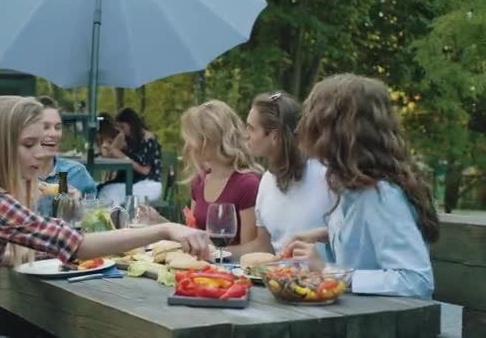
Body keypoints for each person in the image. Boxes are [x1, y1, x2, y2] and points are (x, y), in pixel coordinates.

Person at [0, 96, 210, 337]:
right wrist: (165, 229)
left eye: (52, 133)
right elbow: (77, 243)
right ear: (0, 146)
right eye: (30, 144)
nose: (42, 151)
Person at [282, 74, 439, 299]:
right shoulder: (354, 185)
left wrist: (327, 271)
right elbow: (368, 237)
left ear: (336, 133)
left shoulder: (383, 196)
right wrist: (324, 234)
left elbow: (416, 281)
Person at [226, 91, 334, 257]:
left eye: (251, 128)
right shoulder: (266, 181)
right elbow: (263, 247)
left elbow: (348, 236)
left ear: (274, 136)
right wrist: (215, 253)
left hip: (326, 280)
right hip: (279, 279)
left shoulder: (327, 175)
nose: (245, 135)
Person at [181, 100, 263, 245]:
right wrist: (161, 224)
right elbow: (193, 233)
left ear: (212, 140)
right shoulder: (199, 181)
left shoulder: (247, 184)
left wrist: (212, 254)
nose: (189, 146)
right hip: (201, 266)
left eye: (194, 139)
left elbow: (249, 250)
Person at [35, 96, 96, 215]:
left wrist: (79, 208)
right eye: (45, 127)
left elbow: (95, 221)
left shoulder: (77, 173)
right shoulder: (14, 175)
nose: (54, 134)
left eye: (58, 127)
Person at [99, 108, 163, 204]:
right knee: (101, 189)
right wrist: (115, 141)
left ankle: (115, 217)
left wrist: (123, 157)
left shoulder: (148, 140)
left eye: (123, 127)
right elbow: (109, 154)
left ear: (132, 124)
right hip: (131, 182)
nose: (121, 131)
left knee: (109, 193)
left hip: (148, 184)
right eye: (118, 128)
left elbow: (145, 171)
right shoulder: (128, 137)